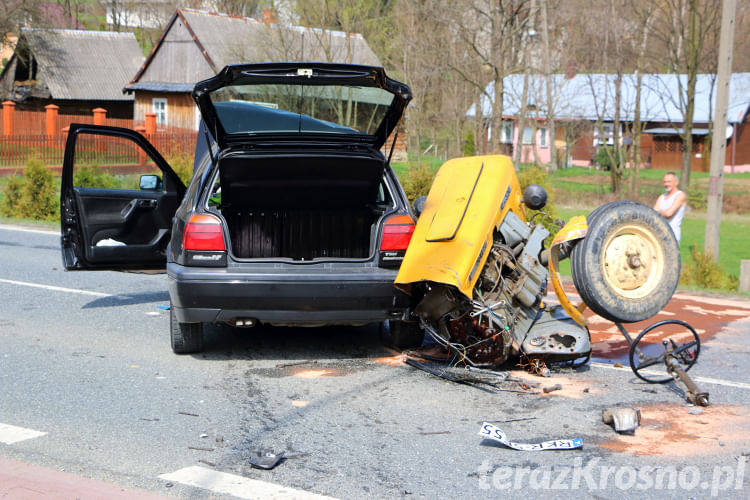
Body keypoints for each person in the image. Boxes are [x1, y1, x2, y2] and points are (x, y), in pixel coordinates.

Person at [654, 171, 687, 243]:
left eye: (669, 182)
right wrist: (663, 212)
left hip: (673, 236)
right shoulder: (662, 197)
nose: (666, 184)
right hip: (659, 235)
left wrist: (659, 212)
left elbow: (669, 214)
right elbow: (653, 214)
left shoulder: (680, 195)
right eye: (665, 182)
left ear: (676, 182)